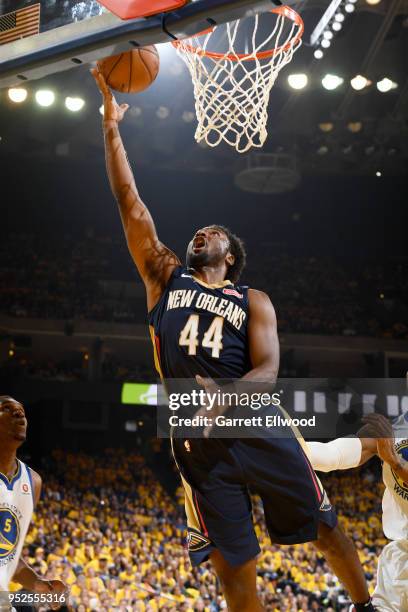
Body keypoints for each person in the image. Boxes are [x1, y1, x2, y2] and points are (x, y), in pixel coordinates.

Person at [92, 67, 375, 612]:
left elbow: (268, 371)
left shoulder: (254, 300)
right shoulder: (164, 275)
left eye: (213, 234)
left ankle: (366, 606)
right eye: (199, 232)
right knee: (232, 561)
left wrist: (227, 399)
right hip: (197, 440)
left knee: (322, 526)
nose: (201, 232)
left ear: (230, 256)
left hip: (255, 422)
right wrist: (110, 125)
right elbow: (129, 199)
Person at [308, 411, 408, 612]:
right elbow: (331, 455)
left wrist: (395, 464)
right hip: (401, 556)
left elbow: (394, 462)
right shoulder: (395, 429)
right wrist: (284, 450)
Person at [0, 396, 67, 610]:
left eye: (21, 410)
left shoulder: (33, 481)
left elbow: (8, 557)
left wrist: (38, 583)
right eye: (7, 409)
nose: (20, 414)